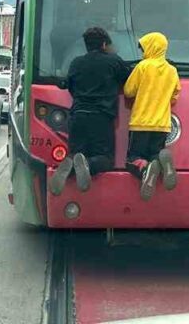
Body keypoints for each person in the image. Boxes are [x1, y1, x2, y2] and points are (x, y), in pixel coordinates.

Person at [49, 26, 130, 195]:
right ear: (103, 44)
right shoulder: (113, 61)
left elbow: (71, 87)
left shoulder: (76, 63)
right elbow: (131, 82)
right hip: (101, 118)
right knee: (105, 160)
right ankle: (87, 164)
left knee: (76, 152)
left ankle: (70, 163)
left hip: (77, 117)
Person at [122, 31, 180, 200]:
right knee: (155, 153)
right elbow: (175, 96)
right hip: (162, 124)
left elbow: (128, 90)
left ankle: (145, 170)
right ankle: (161, 162)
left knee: (133, 159)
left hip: (140, 122)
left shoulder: (143, 66)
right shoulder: (172, 70)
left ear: (150, 47)